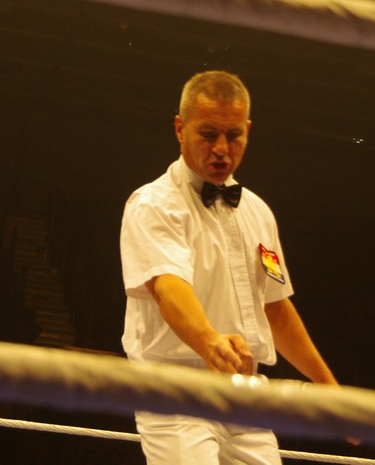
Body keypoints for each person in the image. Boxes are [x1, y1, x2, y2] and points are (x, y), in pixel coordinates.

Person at [119, 70, 339, 465]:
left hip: (245, 398)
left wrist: (331, 388)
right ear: (180, 128)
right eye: (208, 134)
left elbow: (274, 307)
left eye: (233, 135)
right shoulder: (153, 204)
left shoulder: (258, 212)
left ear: (248, 131)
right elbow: (168, 287)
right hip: (176, 393)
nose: (222, 148)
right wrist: (209, 342)